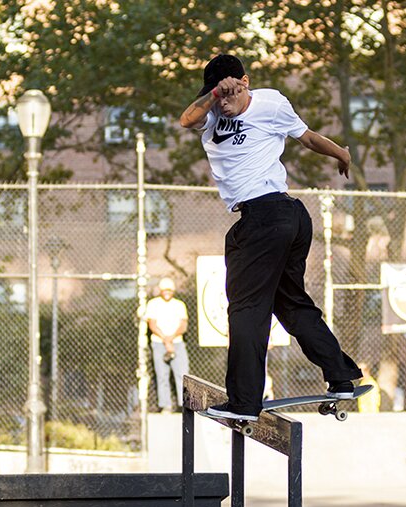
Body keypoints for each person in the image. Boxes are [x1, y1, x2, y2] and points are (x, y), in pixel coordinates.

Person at [180, 53, 361, 421]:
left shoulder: (271, 103)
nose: (227, 103)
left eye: (232, 92)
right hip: (276, 221)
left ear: (245, 82)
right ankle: (341, 376)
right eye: (221, 96)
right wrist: (216, 95)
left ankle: (244, 403)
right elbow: (187, 119)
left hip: (272, 215)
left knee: (247, 309)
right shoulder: (211, 113)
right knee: (291, 304)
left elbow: (307, 137)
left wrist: (341, 152)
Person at [145, 277, 190, 412]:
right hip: (159, 343)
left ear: (173, 291)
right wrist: (165, 340)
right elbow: (152, 324)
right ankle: (165, 405)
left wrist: (171, 339)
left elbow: (183, 325)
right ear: (160, 290)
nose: (167, 292)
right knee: (162, 375)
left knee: (182, 375)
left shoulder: (179, 305)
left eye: (169, 290)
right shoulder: (153, 304)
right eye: (164, 290)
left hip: (177, 343)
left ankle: (184, 406)